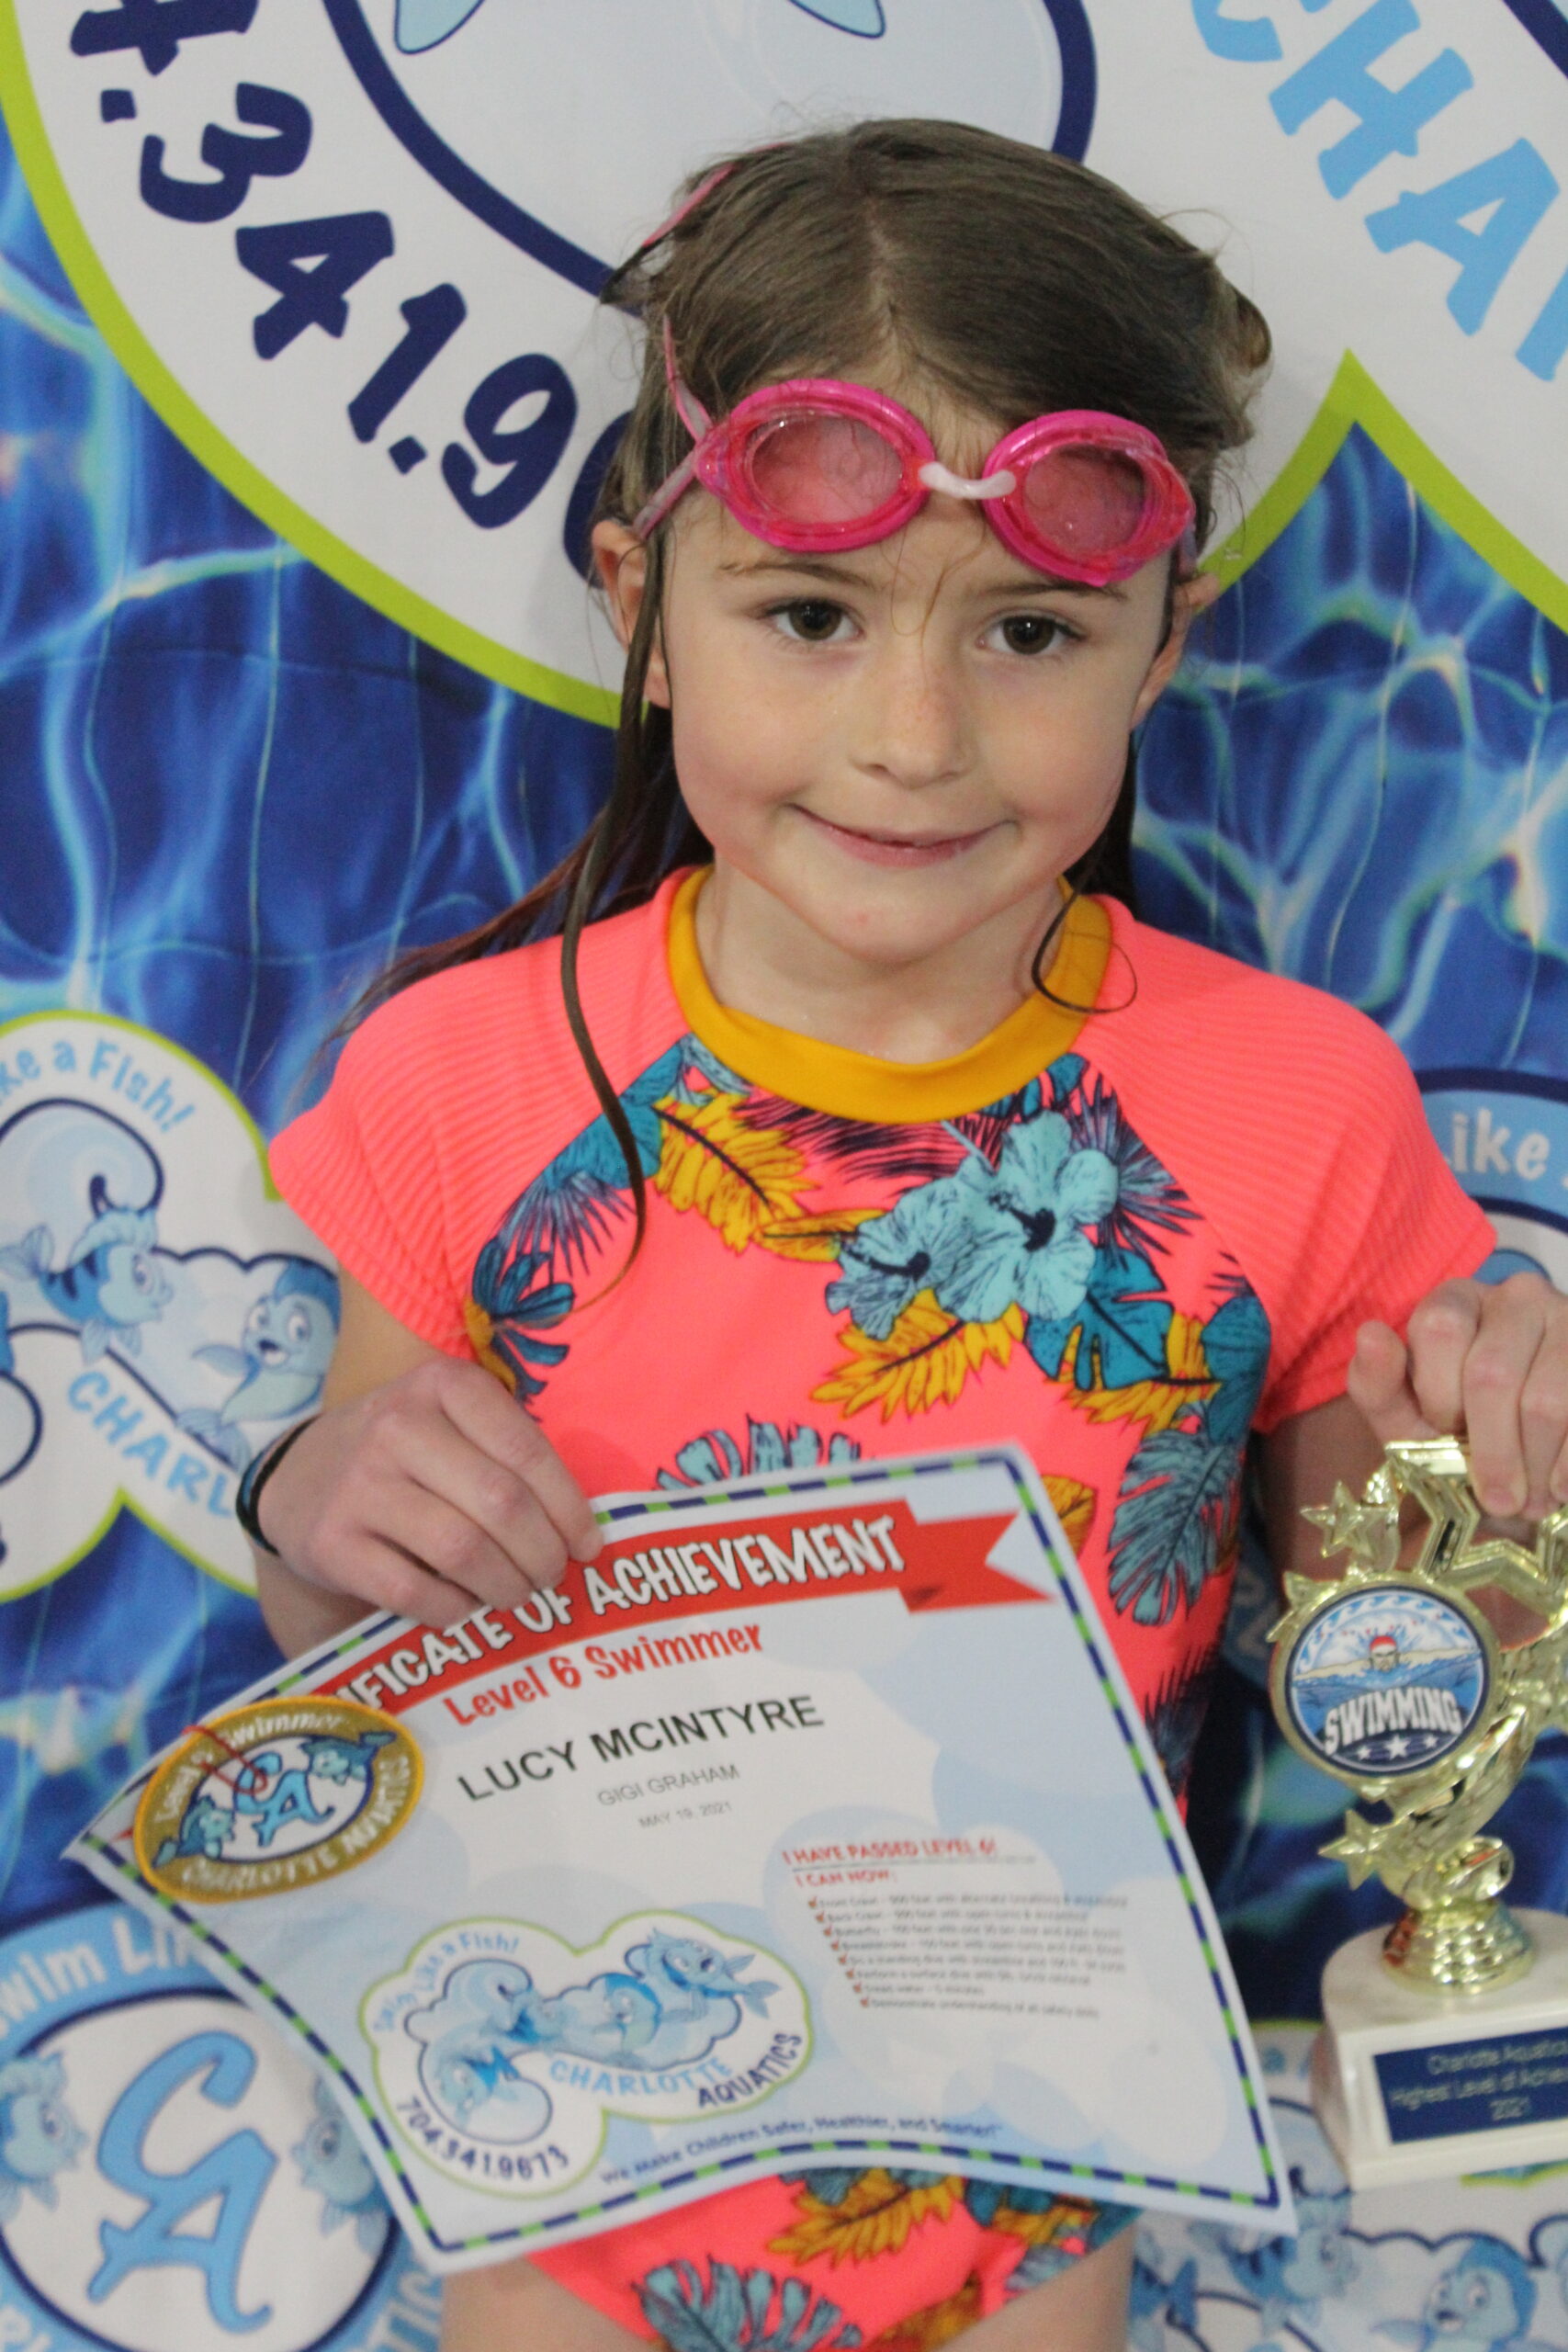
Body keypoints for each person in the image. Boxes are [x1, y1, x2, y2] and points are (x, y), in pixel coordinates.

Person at [253, 121, 1568, 2352]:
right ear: (637, 605)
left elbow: (1382, 1657)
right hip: (568, 2127)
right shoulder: (460, 1076)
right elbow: (345, 1642)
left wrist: (1487, 1460)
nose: (913, 735)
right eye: (808, 615)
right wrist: (304, 1495)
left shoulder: (1291, 1102)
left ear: (1161, 645)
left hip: (1029, 2153)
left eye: (1028, 631)